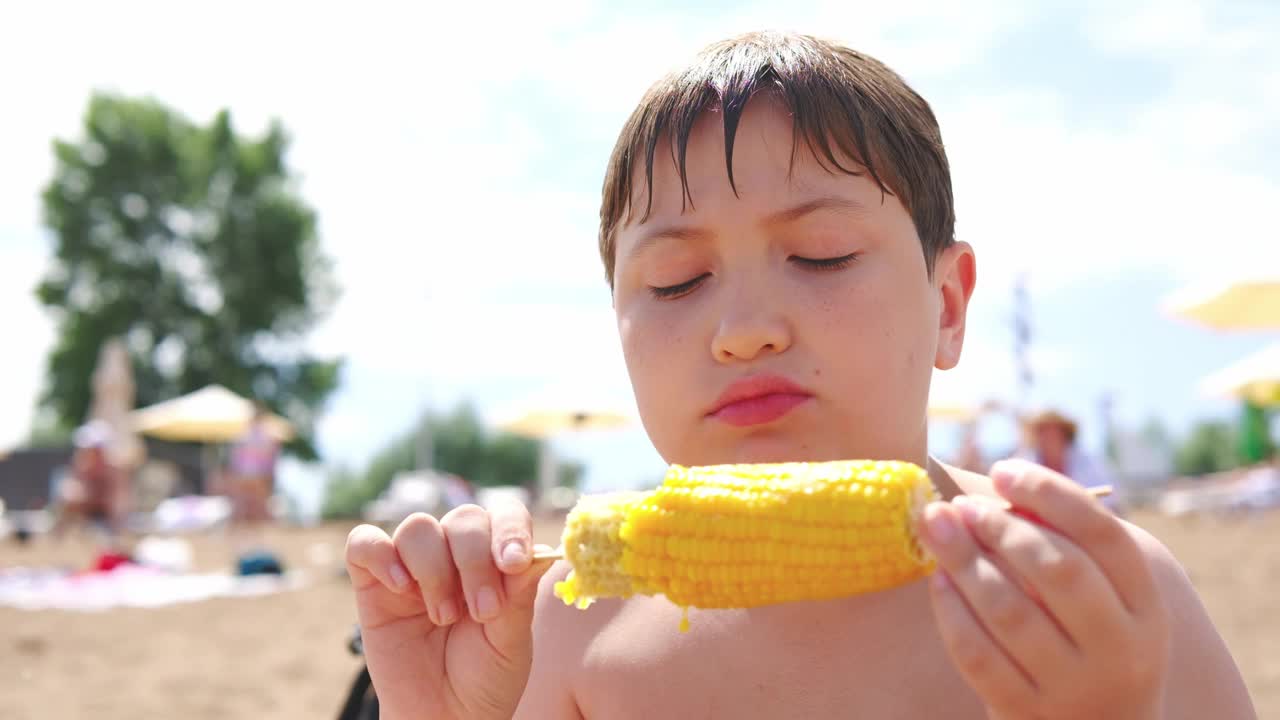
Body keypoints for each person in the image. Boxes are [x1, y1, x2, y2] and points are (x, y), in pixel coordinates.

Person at [345, 32, 1255, 719]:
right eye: (676, 280)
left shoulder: (1100, 598)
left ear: (947, 305)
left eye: (820, 256)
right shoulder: (568, 629)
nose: (743, 331)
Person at [1015, 409, 1121, 513]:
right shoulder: (1025, 463)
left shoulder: (1088, 461)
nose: (1049, 436)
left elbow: (1109, 498)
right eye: (1042, 430)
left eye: (1053, 430)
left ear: (1065, 433)